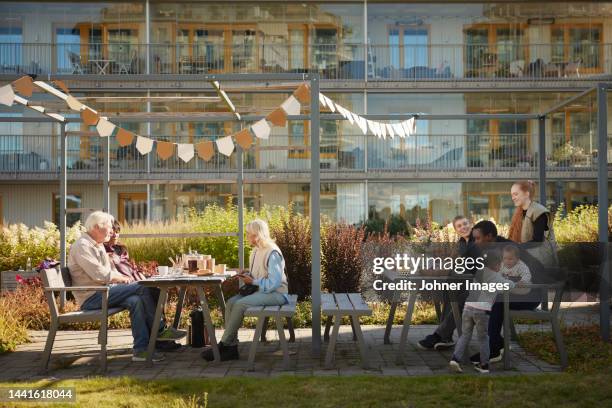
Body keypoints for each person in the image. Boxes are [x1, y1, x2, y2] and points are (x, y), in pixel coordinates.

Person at [68, 211, 184, 362]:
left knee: (135, 300)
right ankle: (160, 331)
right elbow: (101, 275)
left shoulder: (96, 244)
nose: (111, 231)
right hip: (92, 298)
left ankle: (140, 351)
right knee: (143, 286)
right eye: (109, 228)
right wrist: (123, 279)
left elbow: (110, 271)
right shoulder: (83, 246)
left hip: (104, 292)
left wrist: (122, 278)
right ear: (97, 227)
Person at [201, 219, 289, 361]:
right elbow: (260, 274)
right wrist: (248, 274)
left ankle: (223, 344)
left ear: (257, 235)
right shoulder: (255, 251)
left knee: (240, 304)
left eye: (249, 234)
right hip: (261, 291)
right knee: (230, 302)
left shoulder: (272, 252)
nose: (247, 236)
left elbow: (274, 283)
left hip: (277, 294)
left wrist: (252, 281)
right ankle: (231, 348)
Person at [469, 220, 541, 364]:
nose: (475, 242)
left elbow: (536, 272)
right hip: (510, 293)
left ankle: (493, 350)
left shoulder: (510, 250)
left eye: (477, 238)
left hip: (530, 295)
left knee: (496, 303)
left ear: (489, 236)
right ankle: (497, 344)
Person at [104, 220, 181, 352]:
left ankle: (158, 339)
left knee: (157, 291)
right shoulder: (103, 250)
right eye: (112, 233)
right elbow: (112, 272)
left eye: (117, 232)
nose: (115, 235)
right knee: (148, 293)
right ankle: (160, 334)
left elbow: (130, 267)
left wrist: (141, 276)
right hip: (121, 285)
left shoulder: (121, 249)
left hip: (133, 280)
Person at [418, 215, 479, 350]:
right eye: (459, 226)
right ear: (456, 230)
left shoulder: (476, 241)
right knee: (450, 289)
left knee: (461, 297)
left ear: (471, 224)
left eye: (465, 224)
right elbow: (451, 262)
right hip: (468, 282)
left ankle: (441, 335)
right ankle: (445, 336)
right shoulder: (462, 242)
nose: (463, 227)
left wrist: (432, 272)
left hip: (479, 285)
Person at [450, 250, 515, 374]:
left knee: (465, 335)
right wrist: (511, 281)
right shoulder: (496, 277)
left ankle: (455, 359)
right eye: (500, 264)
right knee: (484, 338)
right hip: (482, 311)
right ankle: (484, 365)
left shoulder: (480, 272)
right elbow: (508, 286)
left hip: (468, 308)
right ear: (497, 264)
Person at [508, 180, 558, 266]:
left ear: (527, 194)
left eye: (516, 194)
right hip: (529, 259)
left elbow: (537, 240)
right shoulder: (520, 213)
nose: (513, 198)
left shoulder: (539, 211)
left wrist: (517, 248)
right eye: (512, 195)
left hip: (542, 261)